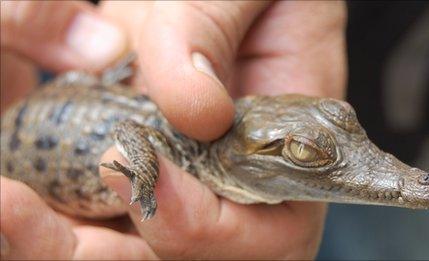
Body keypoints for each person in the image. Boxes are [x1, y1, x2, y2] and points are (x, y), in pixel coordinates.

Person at [0, 1, 347, 259]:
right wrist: (147, 173)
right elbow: (129, 130)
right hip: (30, 132)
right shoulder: (178, 139)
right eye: (302, 150)